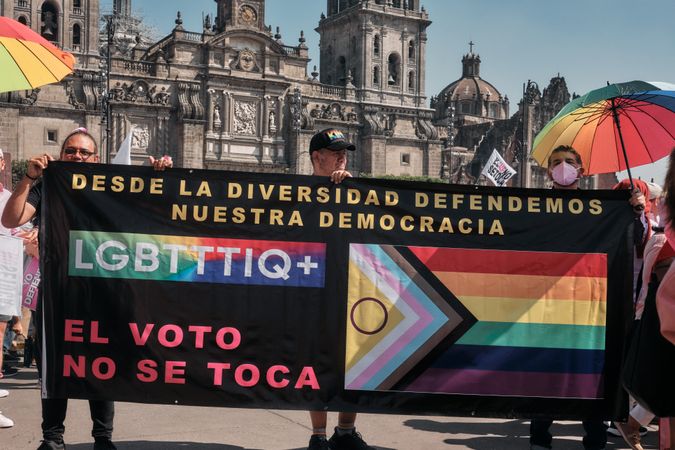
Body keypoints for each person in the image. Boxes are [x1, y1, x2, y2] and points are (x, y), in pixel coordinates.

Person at [1, 128, 172, 450]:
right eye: (71, 151)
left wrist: (159, 176)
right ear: (62, 155)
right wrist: (28, 179)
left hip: (103, 294)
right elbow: (11, 219)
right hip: (57, 294)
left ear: (95, 158)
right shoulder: (48, 187)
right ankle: (53, 438)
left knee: (101, 365)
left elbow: (153, 209)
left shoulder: (113, 188)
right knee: (52, 368)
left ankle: (102, 438)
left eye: (83, 152)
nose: (76, 156)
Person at [529, 145, 645, 450]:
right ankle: (540, 438)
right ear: (547, 172)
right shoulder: (533, 206)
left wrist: (635, 210)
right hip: (546, 304)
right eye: (556, 163)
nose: (562, 167)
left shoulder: (604, 206)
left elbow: (637, 241)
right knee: (545, 374)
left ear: (582, 171)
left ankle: (594, 439)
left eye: (569, 162)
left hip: (590, 304)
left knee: (592, 373)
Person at [305, 129, 373, 450]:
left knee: (357, 359)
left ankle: (345, 431)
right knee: (315, 362)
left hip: (353, 287)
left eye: (344, 151)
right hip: (313, 288)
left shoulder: (353, 190)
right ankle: (318, 435)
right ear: (317, 158)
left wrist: (352, 188)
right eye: (335, 152)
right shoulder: (297, 192)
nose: (342, 157)